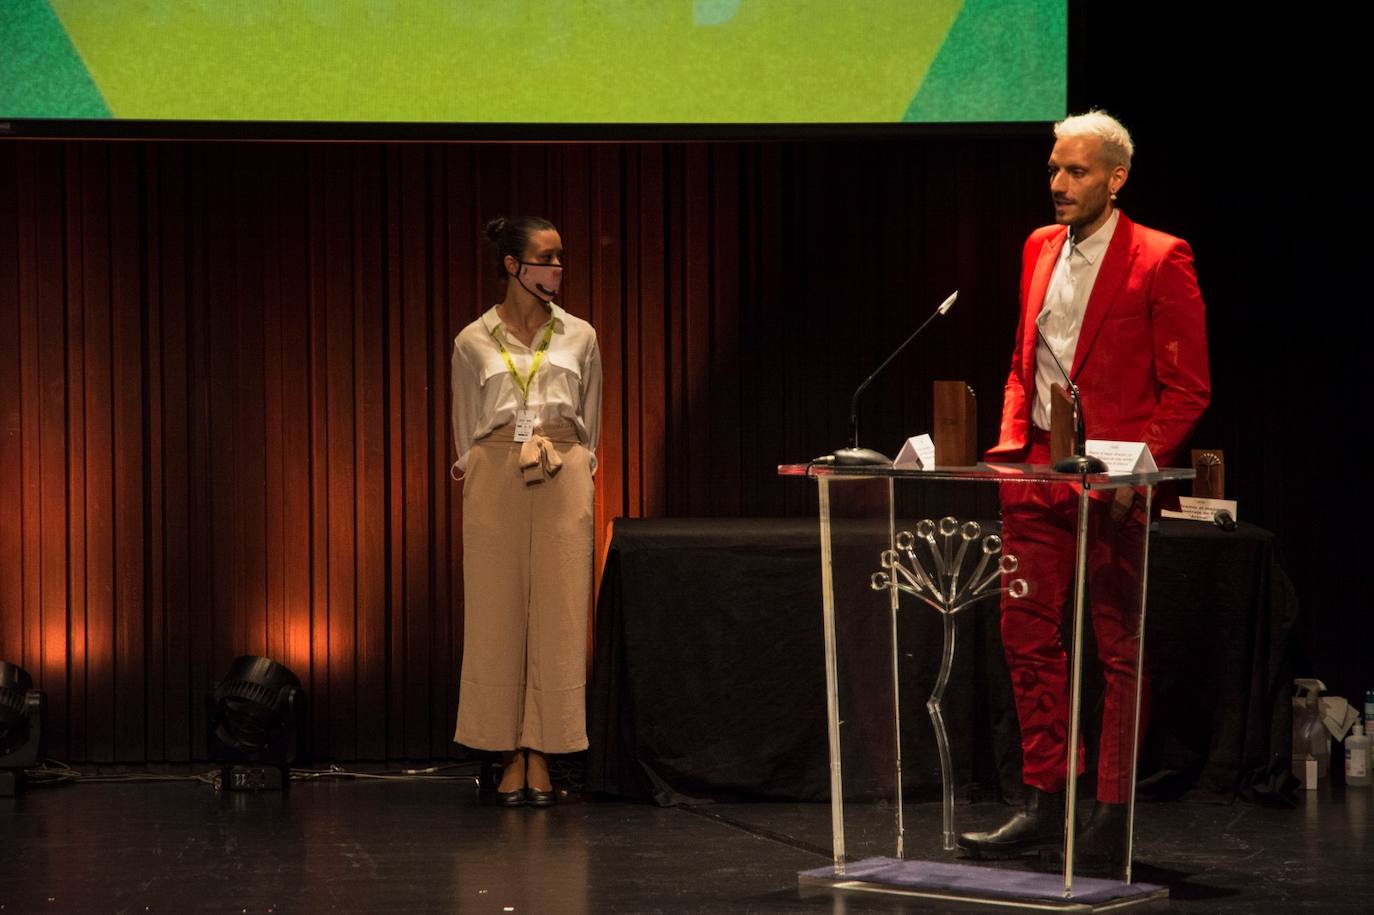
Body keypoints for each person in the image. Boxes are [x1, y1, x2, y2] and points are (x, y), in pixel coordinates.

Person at [957, 111, 1210, 867]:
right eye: (1054, 171)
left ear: (1115, 178)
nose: (1059, 185)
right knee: (1026, 634)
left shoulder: (1161, 258)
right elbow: (1021, 358)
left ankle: (1110, 810)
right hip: (1035, 471)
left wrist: (1140, 467)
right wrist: (1009, 448)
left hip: (1113, 480)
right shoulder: (1038, 245)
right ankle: (1046, 796)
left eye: (1076, 172)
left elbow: (1188, 388)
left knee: (1115, 647)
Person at [451, 216, 602, 807]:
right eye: (547, 258)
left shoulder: (580, 335)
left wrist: (577, 462)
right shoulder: (472, 340)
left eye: (562, 258)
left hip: (562, 466)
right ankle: (504, 751)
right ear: (513, 265)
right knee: (496, 611)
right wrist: (484, 463)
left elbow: (593, 413)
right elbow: (464, 424)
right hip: (496, 469)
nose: (558, 269)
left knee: (561, 611)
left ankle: (546, 751)